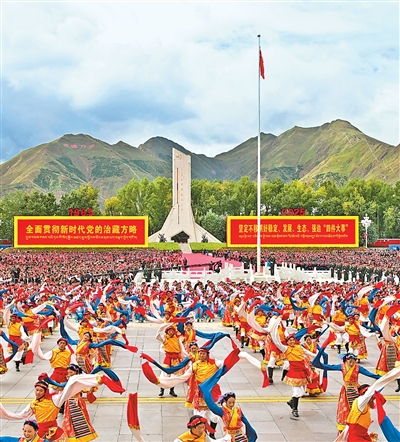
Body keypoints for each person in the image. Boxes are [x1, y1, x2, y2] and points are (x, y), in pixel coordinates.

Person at [312, 348, 380, 432]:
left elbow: (370, 374)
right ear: (346, 360)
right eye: (349, 360)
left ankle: (356, 425)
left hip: (355, 390)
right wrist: (320, 355)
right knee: (344, 409)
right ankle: (344, 427)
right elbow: (326, 366)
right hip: (345, 391)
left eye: (353, 360)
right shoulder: (342, 367)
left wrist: (381, 377)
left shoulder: (358, 368)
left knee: (356, 408)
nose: (351, 362)